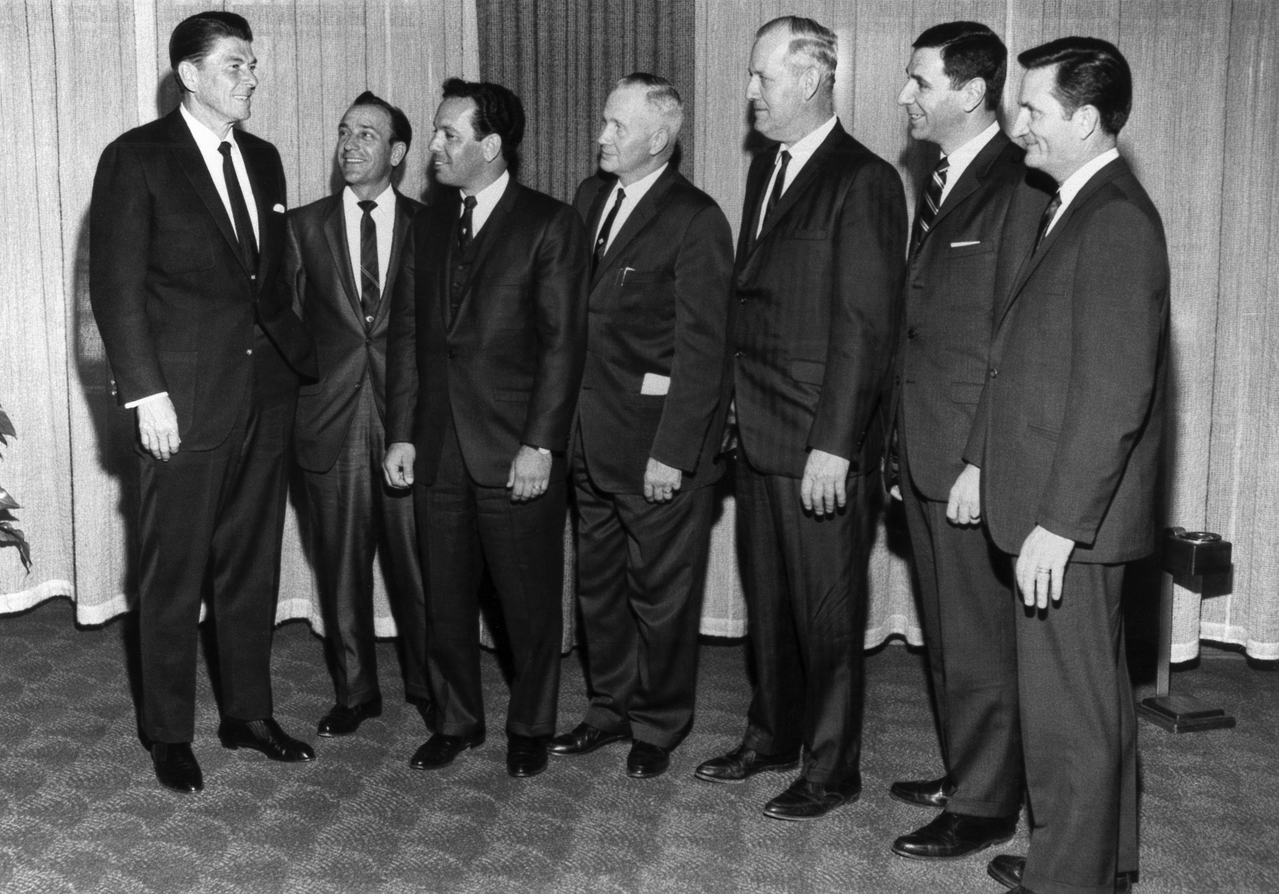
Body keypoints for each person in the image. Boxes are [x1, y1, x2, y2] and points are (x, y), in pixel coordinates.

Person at [89, 10, 317, 794]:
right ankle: (168, 731)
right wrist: (145, 393)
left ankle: (246, 714)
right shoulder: (137, 158)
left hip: (264, 393)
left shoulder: (265, 158)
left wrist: (297, 357)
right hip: (180, 401)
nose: (249, 76)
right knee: (172, 569)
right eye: (233, 64)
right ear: (188, 75)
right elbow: (114, 289)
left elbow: (270, 276)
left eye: (253, 65)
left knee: (251, 563)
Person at [965, 37, 1168, 894]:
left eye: (1034, 110)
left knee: (1065, 715)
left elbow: (1112, 394)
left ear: (1085, 119)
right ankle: (1098, 859)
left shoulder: (1114, 217)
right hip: (1065, 506)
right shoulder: (1079, 203)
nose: (1017, 128)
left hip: (1069, 518)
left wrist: (1057, 523)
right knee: (1093, 698)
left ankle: (1066, 879)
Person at [695, 16, 906, 821]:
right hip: (757, 432)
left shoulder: (864, 179)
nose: (749, 91)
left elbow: (864, 327)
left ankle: (831, 767)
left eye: (761, 77)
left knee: (825, 615)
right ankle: (771, 734)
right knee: (770, 602)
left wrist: (835, 446)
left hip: (816, 441)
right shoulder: (769, 172)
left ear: (813, 79)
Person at [384, 79, 589, 779]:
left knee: (526, 598)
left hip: (514, 450)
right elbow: (411, 336)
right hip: (438, 446)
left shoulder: (550, 224)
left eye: (448, 135)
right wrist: (403, 432)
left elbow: (563, 347)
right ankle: (456, 720)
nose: (433, 148)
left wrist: (541, 444)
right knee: (444, 595)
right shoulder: (430, 222)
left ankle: (530, 724)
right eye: (437, 134)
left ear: (491, 146)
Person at [885, 21, 1051, 861]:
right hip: (923, 447)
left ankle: (985, 804)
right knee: (948, 631)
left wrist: (983, 460)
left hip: (967, 458)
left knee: (979, 636)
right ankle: (970, 770)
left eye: (919, 81)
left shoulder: (1018, 186)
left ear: (970, 92)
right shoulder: (944, 181)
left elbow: (1013, 340)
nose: (906, 96)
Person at [548, 74, 734, 779]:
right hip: (588, 441)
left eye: (615, 126)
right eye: (603, 121)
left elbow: (704, 350)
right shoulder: (589, 198)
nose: (600, 136)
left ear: (658, 139)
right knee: (597, 586)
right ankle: (607, 707)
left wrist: (674, 453)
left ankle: (657, 724)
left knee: (659, 594)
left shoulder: (695, 218)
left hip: (655, 448)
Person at [285, 92, 431, 739]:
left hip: (408, 423)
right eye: (344, 132)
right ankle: (356, 692)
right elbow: (284, 325)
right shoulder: (302, 226)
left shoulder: (431, 227)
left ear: (397, 153)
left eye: (367, 135)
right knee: (340, 564)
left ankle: (430, 686)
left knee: (418, 562)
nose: (351, 144)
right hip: (330, 418)